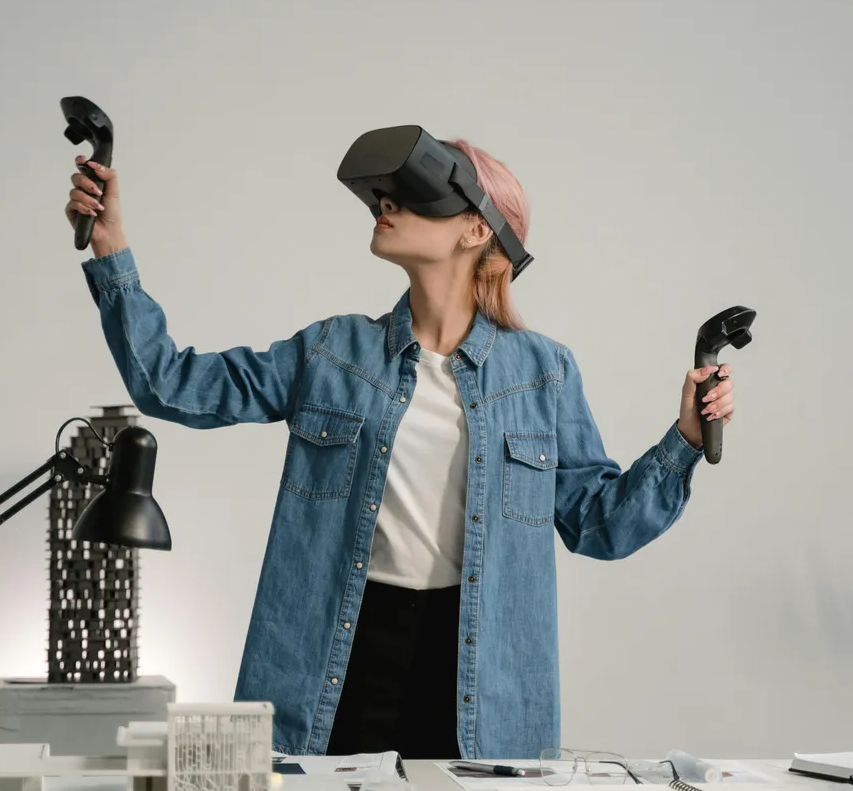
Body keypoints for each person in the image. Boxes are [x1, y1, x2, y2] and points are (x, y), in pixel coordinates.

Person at [63, 135, 737, 762]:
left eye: (412, 197)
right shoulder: (331, 353)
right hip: (337, 664)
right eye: (384, 196)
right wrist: (111, 247)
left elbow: (598, 524)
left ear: (476, 229)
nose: (386, 206)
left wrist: (683, 438)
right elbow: (171, 383)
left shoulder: (544, 373)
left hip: (478, 682)